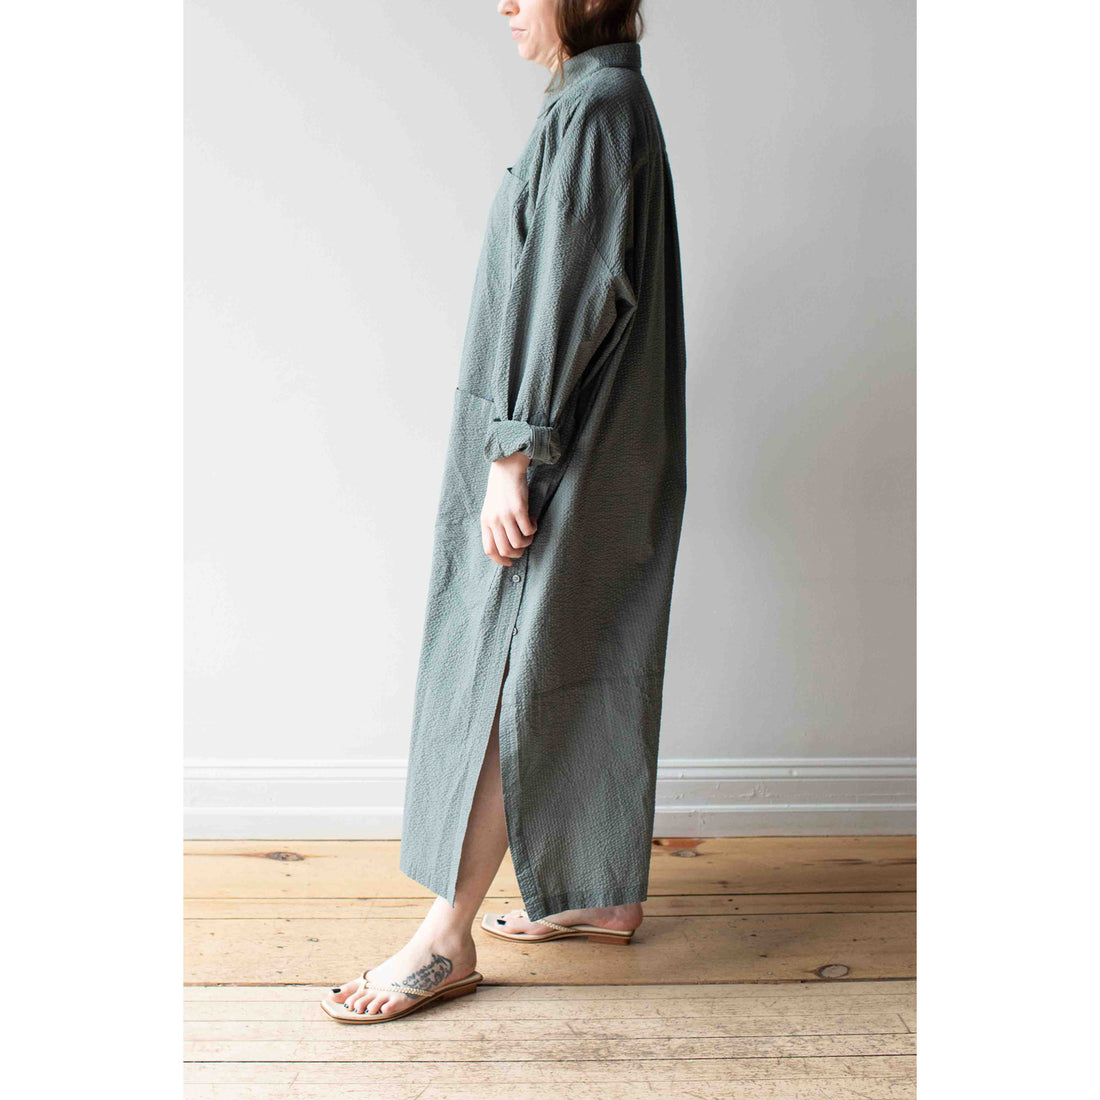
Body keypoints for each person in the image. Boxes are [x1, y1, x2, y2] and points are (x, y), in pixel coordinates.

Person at [323, 0, 686, 1023]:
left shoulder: (595, 112)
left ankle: (446, 936)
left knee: (507, 673)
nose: (505, 4)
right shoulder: (603, 102)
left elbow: (563, 296)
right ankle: (598, 891)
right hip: (597, 439)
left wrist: (512, 453)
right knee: (572, 656)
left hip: (562, 444)